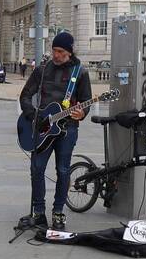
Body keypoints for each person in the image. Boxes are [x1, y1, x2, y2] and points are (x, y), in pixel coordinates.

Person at [19, 32, 92, 230]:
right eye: (54, 50)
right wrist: (33, 116)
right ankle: (38, 212)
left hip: (67, 130)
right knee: (36, 169)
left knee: (63, 171)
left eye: (60, 51)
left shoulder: (81, 73)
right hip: (42, 129)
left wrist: (82, 113)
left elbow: (86, 101)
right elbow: (25, 96)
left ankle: (58, 212)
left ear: (69, 52)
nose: (56, 55)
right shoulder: (41, 70)